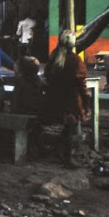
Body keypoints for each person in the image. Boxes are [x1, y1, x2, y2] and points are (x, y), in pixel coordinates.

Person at [43, 30, 90, 168]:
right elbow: (81, 84)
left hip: (54, 98)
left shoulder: (54, 57)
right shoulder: (75, 60)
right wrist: (86, 101)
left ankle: (59, 149)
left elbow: (47, 76)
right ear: (73, 44)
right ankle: (67, 158)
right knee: (70, 127)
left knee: (68, 127)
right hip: (70, 100)